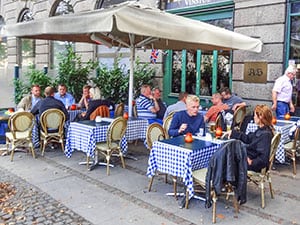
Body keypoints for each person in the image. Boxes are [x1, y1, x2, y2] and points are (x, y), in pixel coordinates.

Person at [227, 104, 274, 172]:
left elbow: (263, 158)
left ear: (260, 117)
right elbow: (249, 138)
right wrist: (233, 133)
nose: (254, 117)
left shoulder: (265, 135)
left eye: (255, 115)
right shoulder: (263, 130)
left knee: (227, 158)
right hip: (250, 156)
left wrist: (251, 162)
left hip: (254, 163)